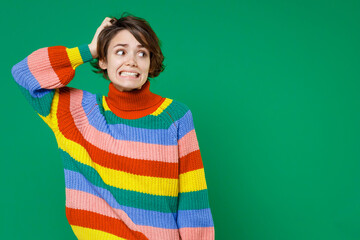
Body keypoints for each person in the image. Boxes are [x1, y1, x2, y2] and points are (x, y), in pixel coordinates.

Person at [11, 13, 214, 240]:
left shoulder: (175, 116)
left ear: (150, 63)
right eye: (120, 51)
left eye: (142, 53)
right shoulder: (77, 113)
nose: (132, 61)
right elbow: (23, 73)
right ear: (103, 60)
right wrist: (89, 49)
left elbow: (193, 203)